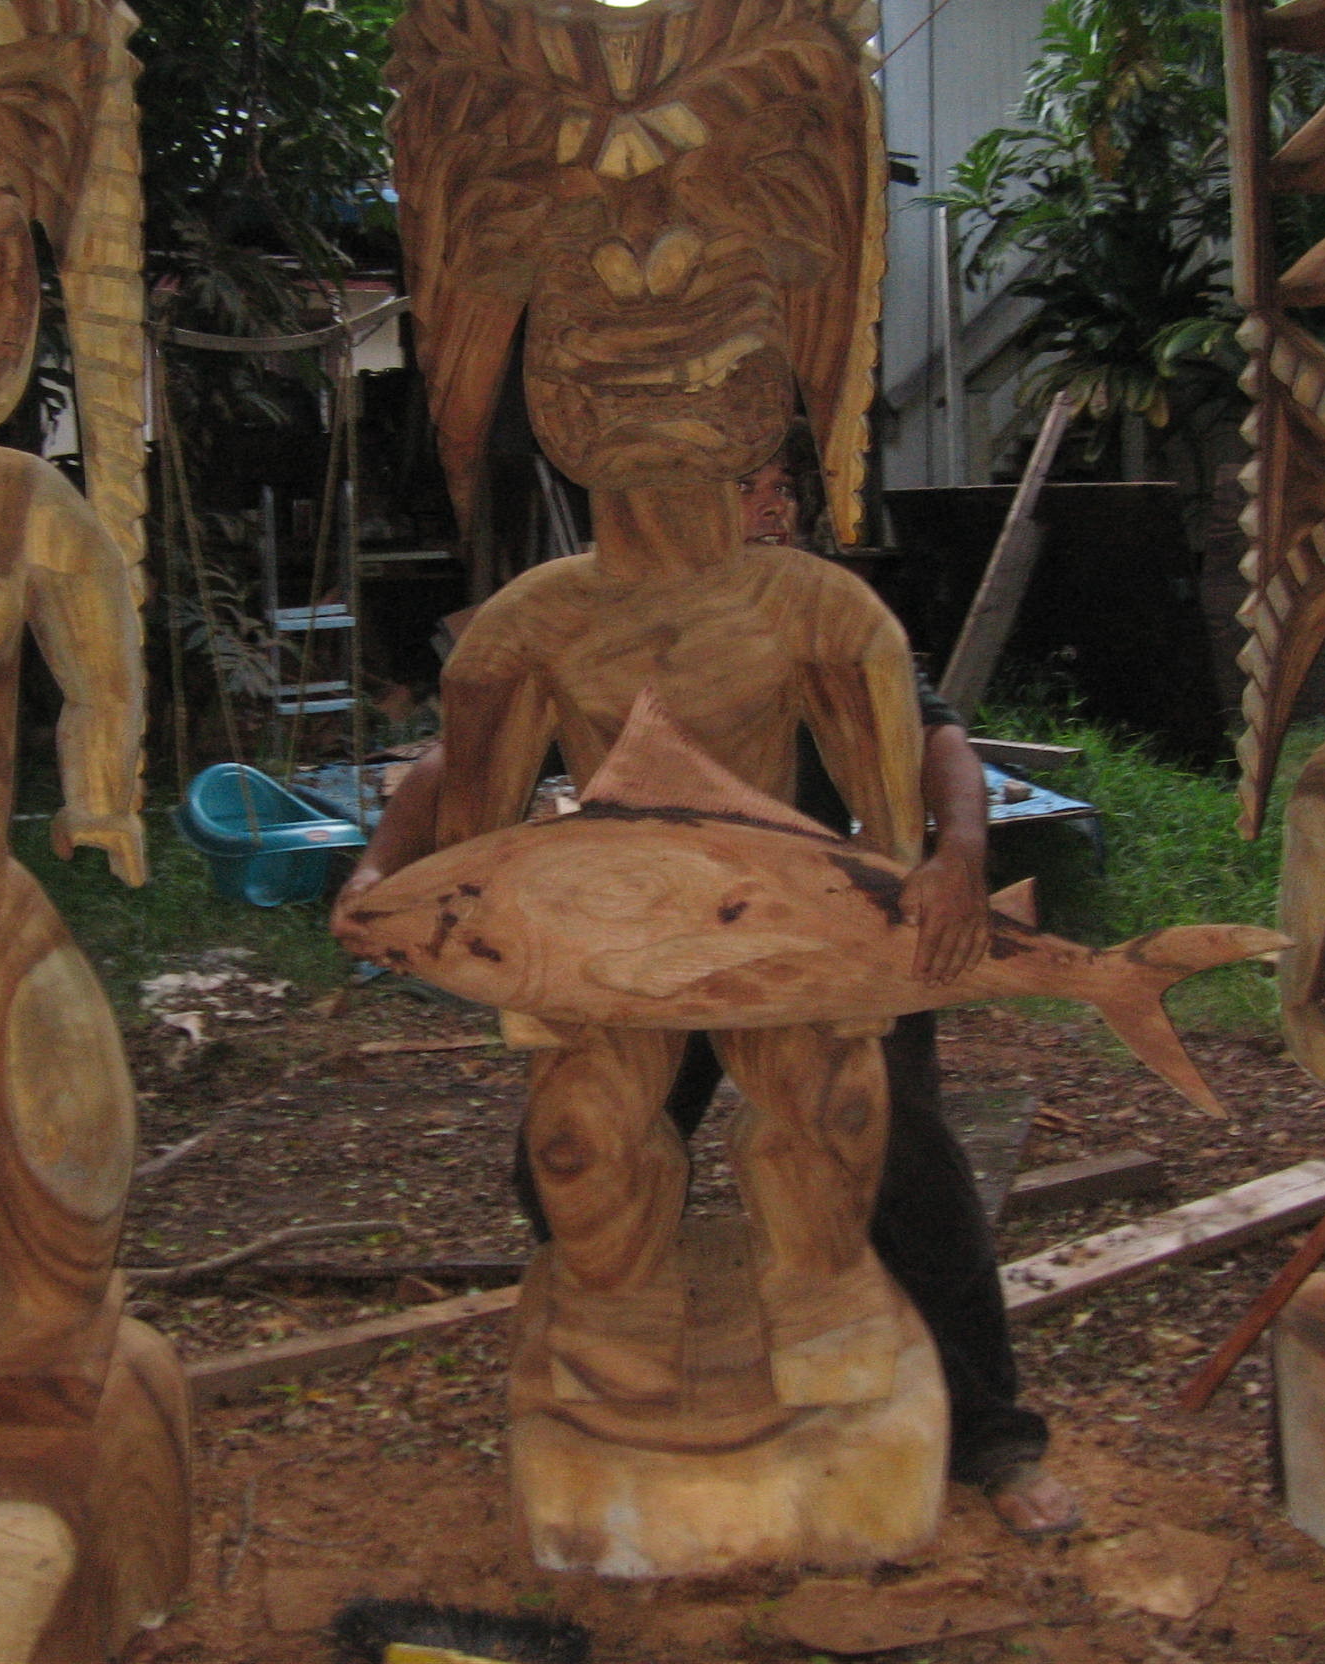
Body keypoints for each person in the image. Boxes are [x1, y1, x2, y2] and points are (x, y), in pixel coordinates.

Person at [332, 459, 1080, 1536]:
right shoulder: (569, 610)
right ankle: (652, 1334)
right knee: (571, 1155)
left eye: (780, 485)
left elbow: (937, 738)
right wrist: (375, 871)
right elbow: (457, 758)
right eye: (743, 484)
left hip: (828, 934)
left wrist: (958, 852)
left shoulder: (816, 608)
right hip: (656, 938)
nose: (774, 505)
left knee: (897, 1150)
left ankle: (992, 1436)